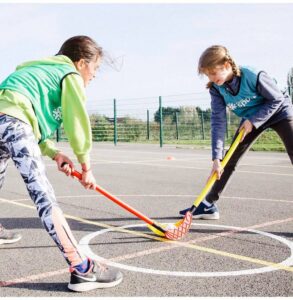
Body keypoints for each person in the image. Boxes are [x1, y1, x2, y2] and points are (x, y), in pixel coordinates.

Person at [0, 35, 123, 292]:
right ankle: (81, 269)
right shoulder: (69, 74)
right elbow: (76, 120)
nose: (95, 75)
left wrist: (54, 153)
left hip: (6, 119)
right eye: (95, 68)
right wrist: (86, 166)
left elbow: (27, 115)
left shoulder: (40, 70)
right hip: (15, 122)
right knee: (43, 196)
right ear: (80, 63)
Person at [180, 45, 293, 219]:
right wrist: (216, 158)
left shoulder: (253, 75)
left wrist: (254, 121)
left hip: (278, 111)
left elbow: (276, 99)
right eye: (207, 74)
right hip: (250, 117)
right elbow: (218, 122)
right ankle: (209, 205)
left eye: (213, 72)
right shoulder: (216, 89)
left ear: (226, 65)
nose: (211, 78)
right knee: (228, 161)